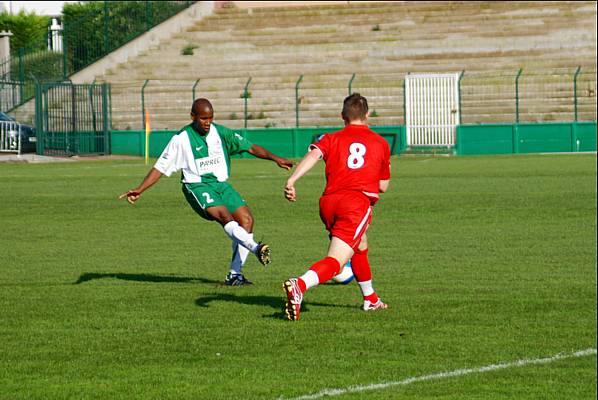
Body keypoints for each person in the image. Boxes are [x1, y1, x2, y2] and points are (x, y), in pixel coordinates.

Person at [119, 98, 293, 285]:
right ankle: (256, 247)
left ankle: (235, 275)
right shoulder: (181, 139)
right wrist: (140, 189)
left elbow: (250, 146)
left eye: (210, 118)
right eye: (203, 118)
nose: (207, 122)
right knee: (225, 216)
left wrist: (276, 158)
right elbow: (160, 167)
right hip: (196, 185)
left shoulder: (220, 132)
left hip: (220, 185)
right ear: (193, 116)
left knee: (247, 220)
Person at [282, 93, 391, 321]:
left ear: (343, 116)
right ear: (368, 114)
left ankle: (370, 299)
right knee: (337, 261)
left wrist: (292, 180)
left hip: (329, 203)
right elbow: (383, 186)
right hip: (355, 204)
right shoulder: (380, 143)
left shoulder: (331, 138)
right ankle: (300, 284)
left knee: (360, 244)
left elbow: (314, 155)